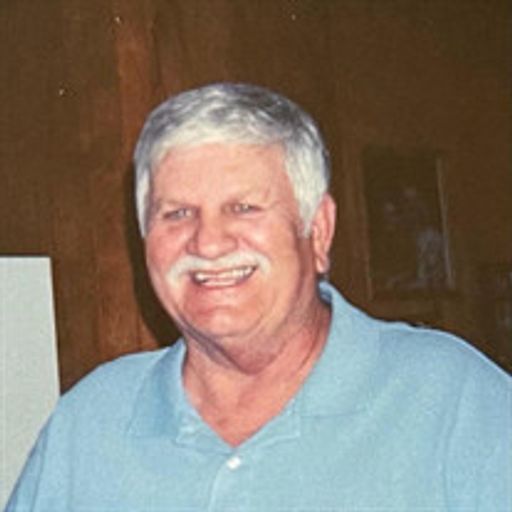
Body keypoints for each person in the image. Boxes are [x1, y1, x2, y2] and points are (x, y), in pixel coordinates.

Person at [6, 83, 511, 511]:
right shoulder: (91, 421)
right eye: (177, 213)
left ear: (318, 230)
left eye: (243, 207)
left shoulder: (454, 402)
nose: (208, 243)